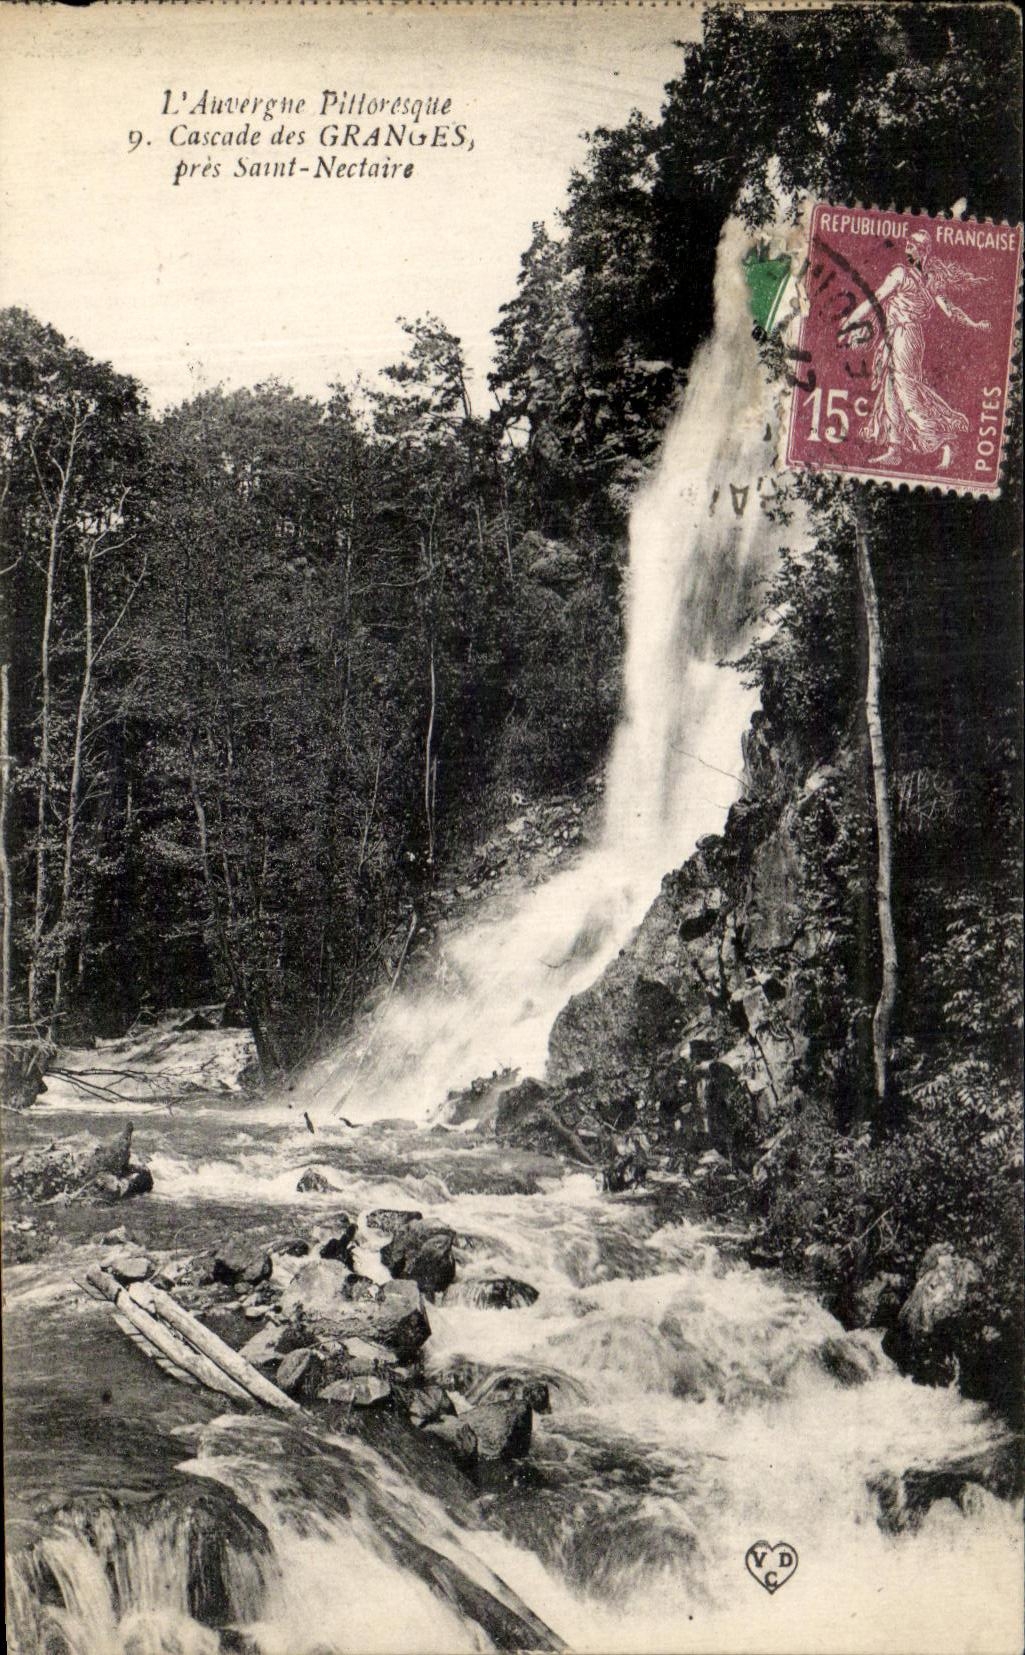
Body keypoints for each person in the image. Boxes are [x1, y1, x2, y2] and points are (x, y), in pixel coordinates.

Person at [837, 229, 990, 469]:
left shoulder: (904, 274)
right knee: (890, 391)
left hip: (904, 336)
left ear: (922, 251)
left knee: (906, 391)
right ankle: (895, 448)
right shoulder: (926, 280)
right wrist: (974, 323)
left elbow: (875, 298)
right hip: (901, 336)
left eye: (912, 245)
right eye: (907, 243)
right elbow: (949, 310)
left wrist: (849, 321)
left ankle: (942, 441)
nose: (907, 247)